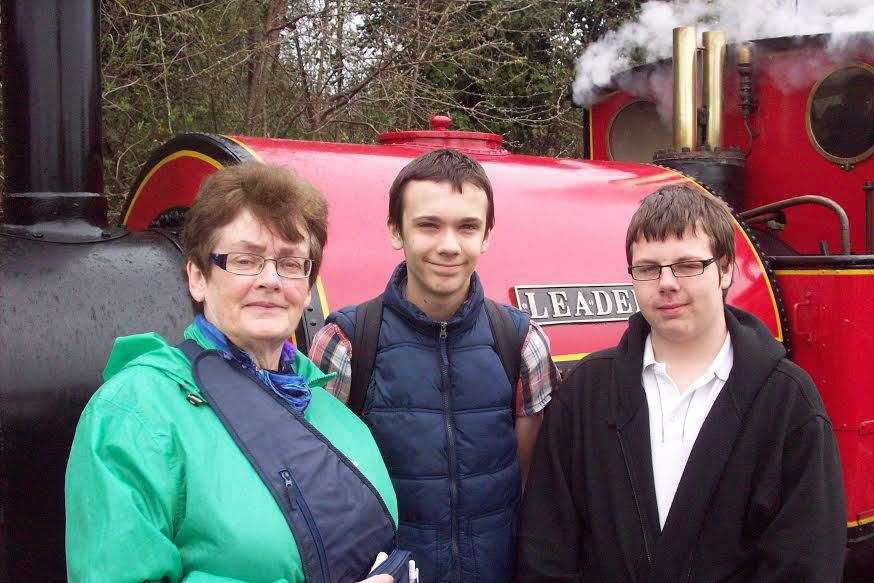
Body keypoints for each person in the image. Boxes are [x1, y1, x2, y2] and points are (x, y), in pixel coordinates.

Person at [65, 163, 400, 583]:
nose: (270, 280)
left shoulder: (331, 411)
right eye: (245, 260)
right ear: (198, 277)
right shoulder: (135, 414)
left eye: (291, 264)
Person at [517, 184, 847, 582]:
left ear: (725, 269)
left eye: (688, 265)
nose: (667, 283)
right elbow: (546, 546)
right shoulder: (586, 393)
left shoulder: (787, 401)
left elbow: (805, 561)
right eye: (648, 268)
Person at [309, 148, 560, 583]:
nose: (448, 245)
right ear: (396, 230)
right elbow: (325, 483)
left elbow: (527, 477)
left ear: (486, 235)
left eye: (467, 227)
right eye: (428, 225)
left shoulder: (522, 341)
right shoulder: (346, 341)